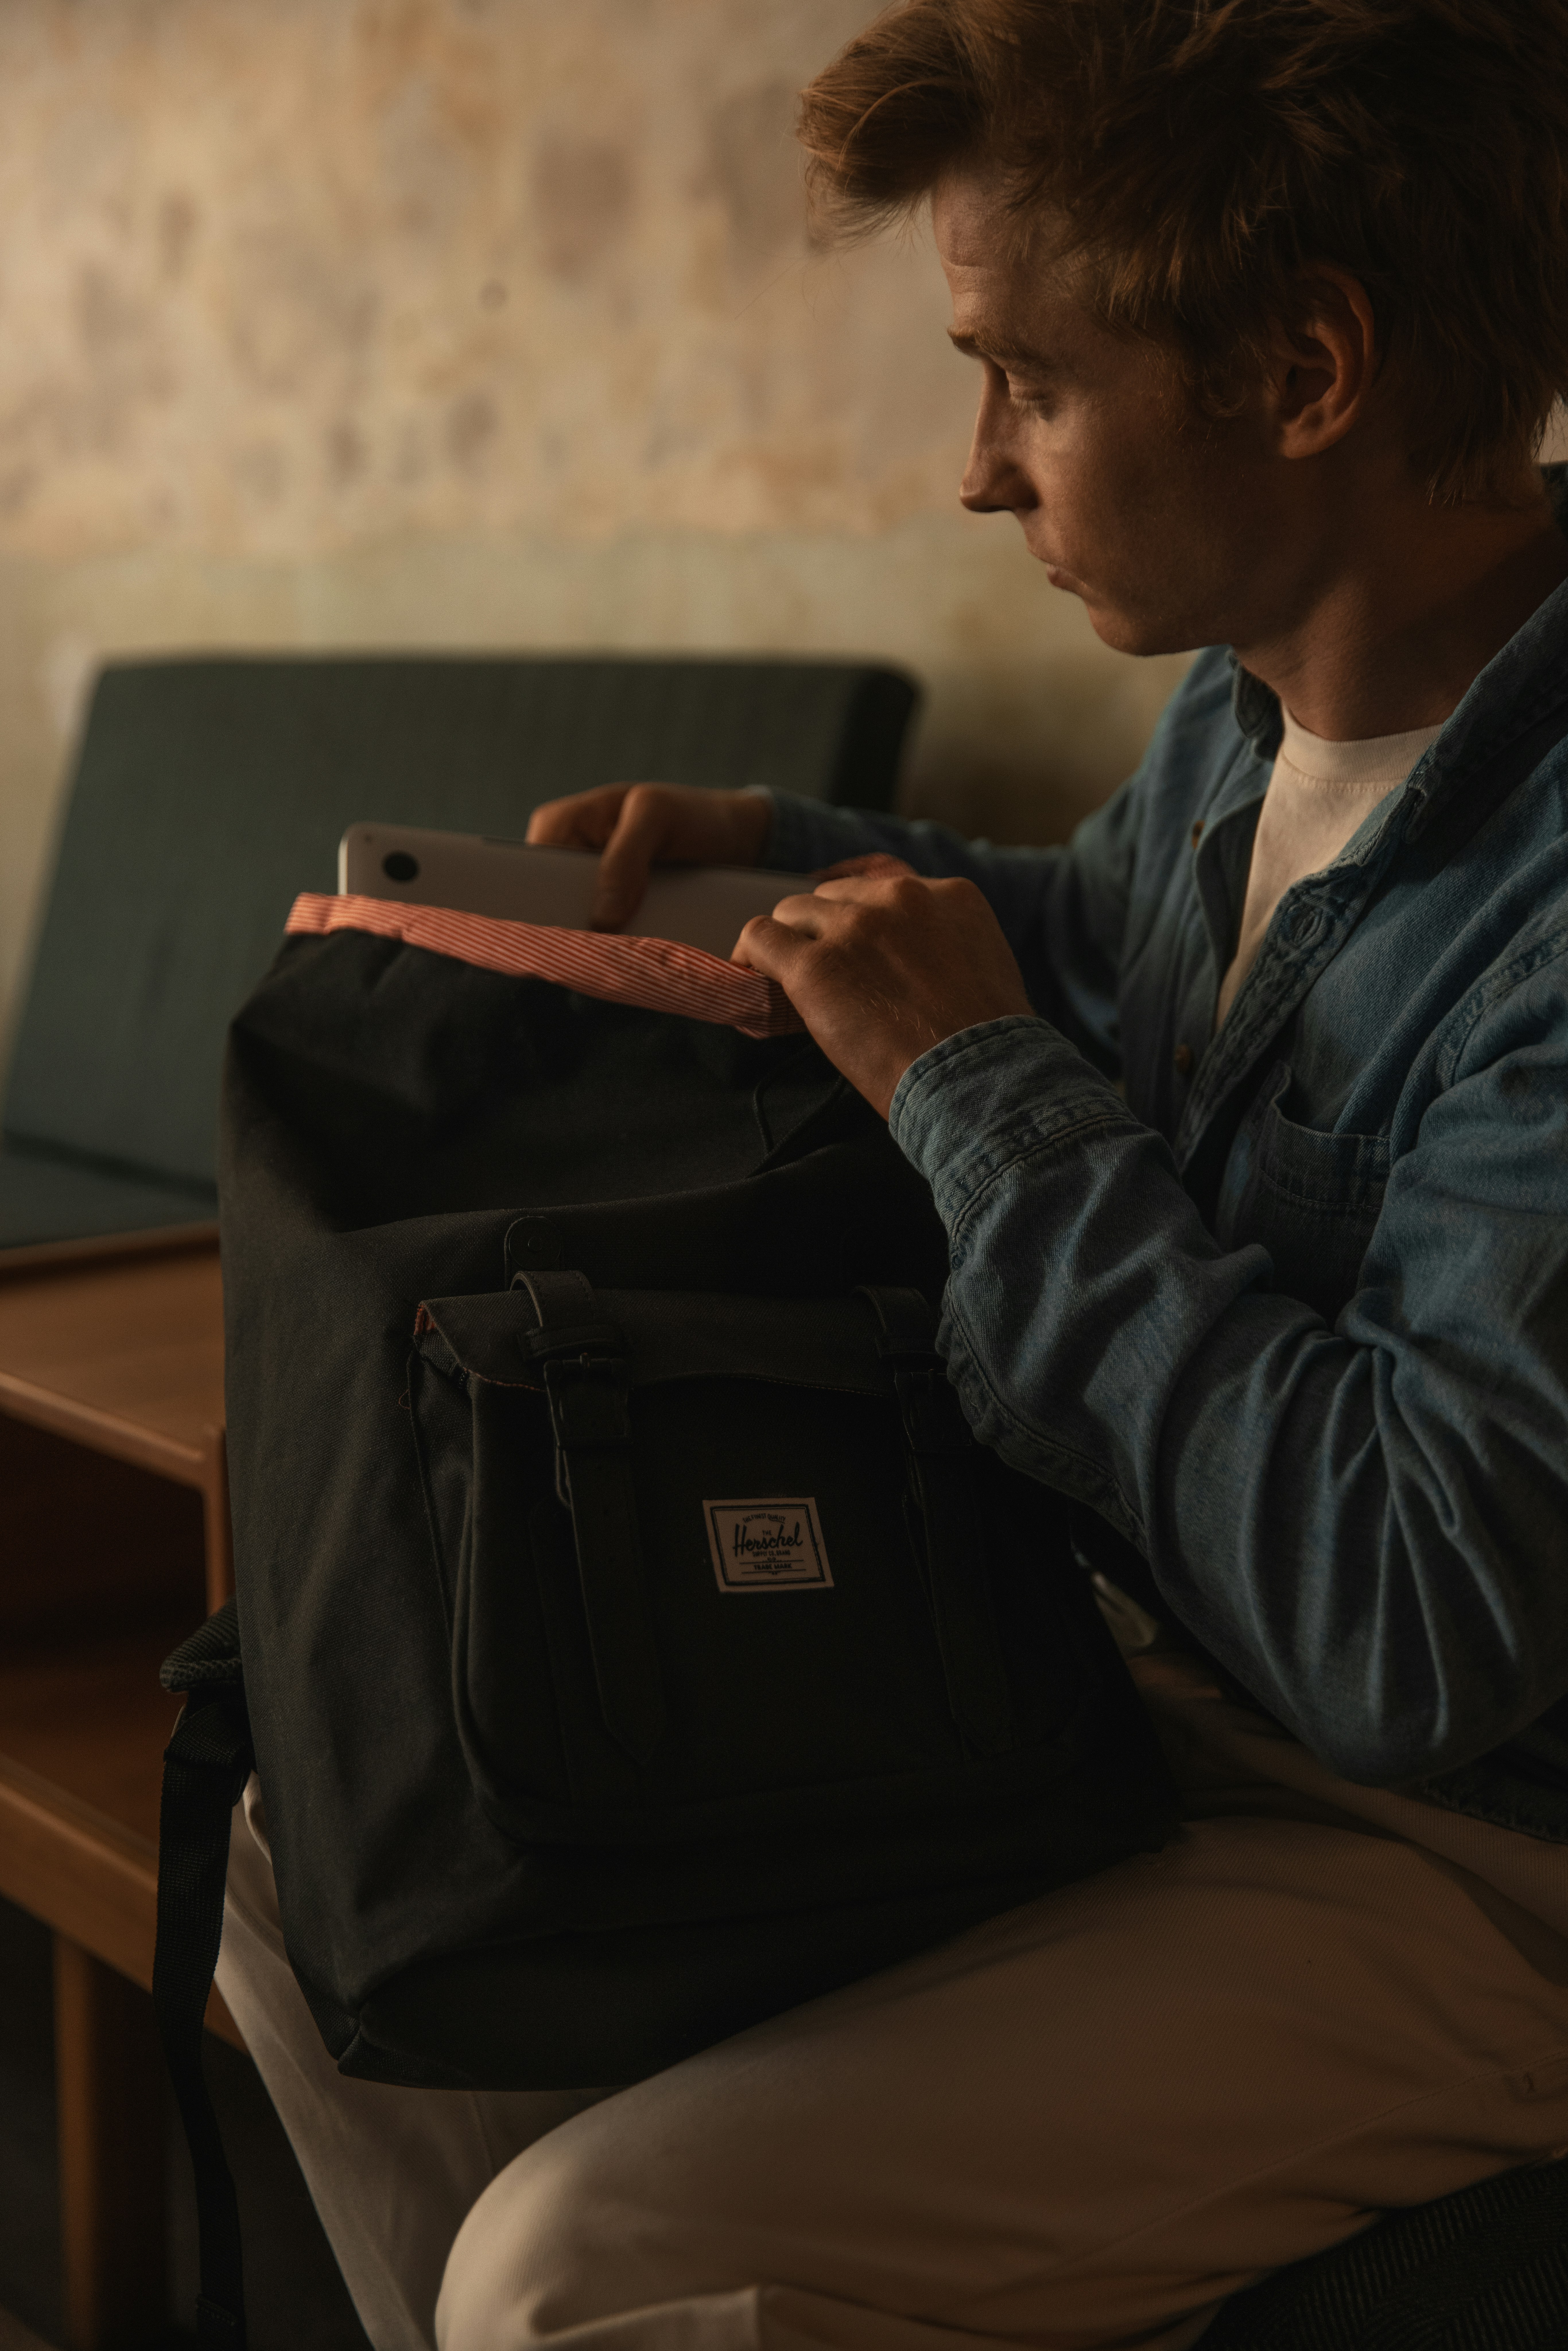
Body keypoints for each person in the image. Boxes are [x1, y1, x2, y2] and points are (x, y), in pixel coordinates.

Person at [215, 2, 1568, 2345]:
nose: (972, 470)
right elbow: (1123, 942)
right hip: (1120, 1666)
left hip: (1465, 1855)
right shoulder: (1246, 713)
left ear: (1304, 365)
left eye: (1020, 378)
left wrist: (981, 1099)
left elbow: (1408, 1614)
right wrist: (787, 864)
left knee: (574, 2264)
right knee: (320, 1835)